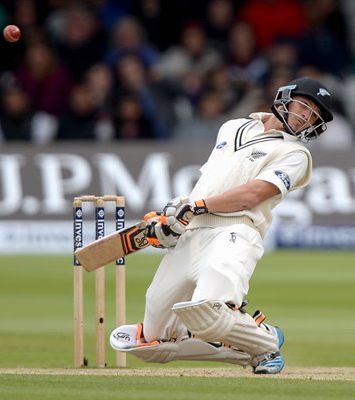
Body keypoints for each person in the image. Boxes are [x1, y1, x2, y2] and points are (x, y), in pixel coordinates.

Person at [110, 76, 334, 374]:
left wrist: (197, 207)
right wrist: (175, 221)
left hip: (236, 232)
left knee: (207, 310)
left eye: (313, 115)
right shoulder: (232, 128)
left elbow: (252, 195)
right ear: (286, 97)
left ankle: (263, 342)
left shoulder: (296, 155)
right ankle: (248, 344)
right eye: (304, 105)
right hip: (194, 234)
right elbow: (211, 182)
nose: (305, 116)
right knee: (154, 343)